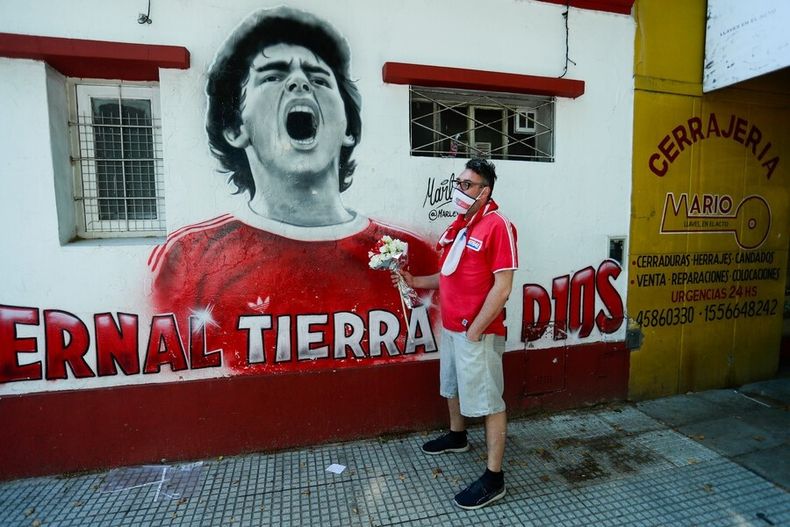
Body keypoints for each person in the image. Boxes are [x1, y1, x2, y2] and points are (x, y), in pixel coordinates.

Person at [149, 7, 438, 372]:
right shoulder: (190, 259)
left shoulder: (416, 254)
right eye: (272, 75)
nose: (299, 82)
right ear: (236, 128)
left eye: (319, 78)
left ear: (348, 126)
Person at [399, 158, 518, 510]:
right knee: (450, 384)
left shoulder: (498, 226)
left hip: (476, 334)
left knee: (489, 401)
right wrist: (415, 281)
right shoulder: (461, 226)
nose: (459, 190)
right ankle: (457, 435)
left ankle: (494, 478)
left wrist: (477, 330)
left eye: (468, 184)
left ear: (485, 191)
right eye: (459, 183)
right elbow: (447, 275)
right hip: (452, 330)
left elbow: (503, 286)